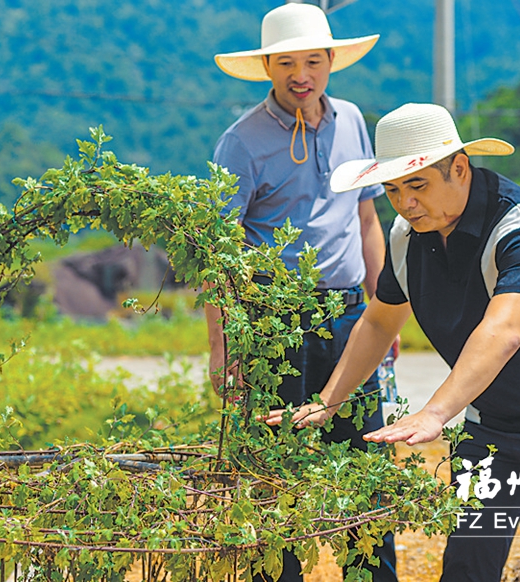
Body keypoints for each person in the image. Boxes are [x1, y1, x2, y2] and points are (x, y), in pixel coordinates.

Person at [263, 103, 520, 581]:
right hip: (493, 421)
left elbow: (502, 331)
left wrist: (435, 412)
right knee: (468, 562)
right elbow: (379, 323)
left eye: (417, 185)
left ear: (459, 168)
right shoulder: (406, 237)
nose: (404, 203)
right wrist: (327, 403)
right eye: (392, 189)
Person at [208, 4, 398, 580]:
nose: (302, 74)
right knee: (276, 472)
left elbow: (367, 220)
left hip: (347, 316)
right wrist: (222, 349)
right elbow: (217, 254)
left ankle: (372, 573)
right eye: (287, 62)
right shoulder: (240, 143)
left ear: (331, 61)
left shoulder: (352, 121)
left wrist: (382, 317)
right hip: (271, 319)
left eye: (314, 60)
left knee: (364, 457)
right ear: (267, 65)